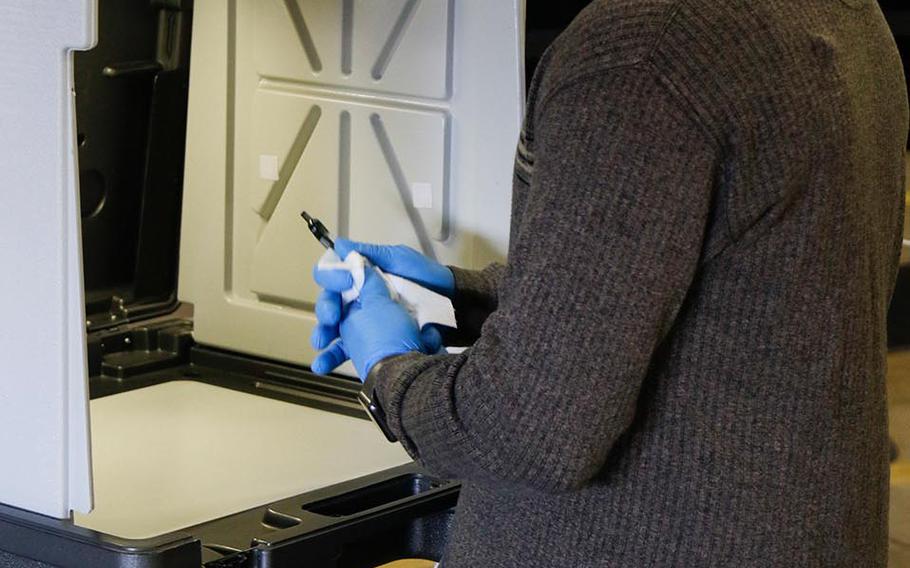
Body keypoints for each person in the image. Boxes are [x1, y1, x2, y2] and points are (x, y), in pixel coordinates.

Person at [311, 0, 909, 565]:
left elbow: (528, 427)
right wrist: (459, 293)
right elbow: (750, 299)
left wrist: (387, 367)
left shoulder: (642, 53)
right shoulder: (842, 15)